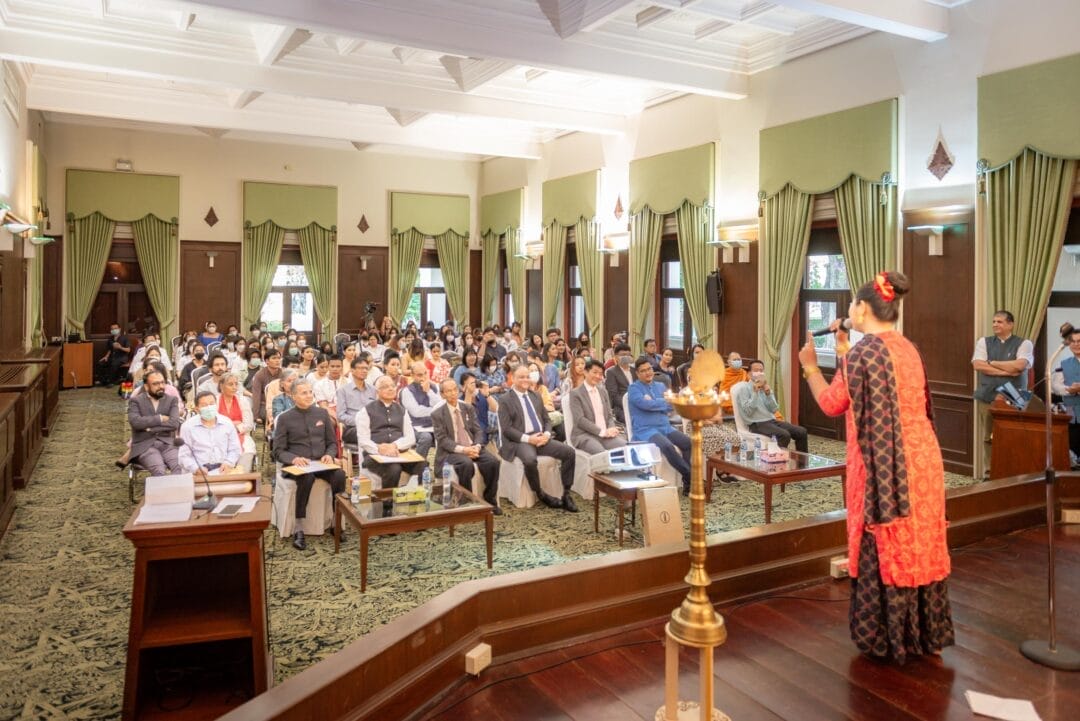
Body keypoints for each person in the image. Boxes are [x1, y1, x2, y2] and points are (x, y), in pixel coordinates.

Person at [799, 270, 953, 663]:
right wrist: (844, 352)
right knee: (916, 541)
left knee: (884, 542)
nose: (850, 309)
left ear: (862, 308)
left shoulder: (864, 354)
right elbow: (870, 385)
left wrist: (811, 367)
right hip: (922, 461)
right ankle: (923, 634)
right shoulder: (906, 348)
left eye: (852, 303)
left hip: (885, 467)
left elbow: (833, 403)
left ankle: (886, 637)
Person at [273, 379, 347, 551]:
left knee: (339, 475)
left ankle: (337, 523)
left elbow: (332, 443)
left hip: (321, 462)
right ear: (293, 397)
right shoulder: (284, 418)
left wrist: (329, 455)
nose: (308, 395)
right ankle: (299, 528)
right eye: (303, 393)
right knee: (307, 477)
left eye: (309, 392)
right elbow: (277, 451)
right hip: (297, 466)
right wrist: (294, 459)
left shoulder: (321, 414)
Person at [497, 365, 578, 511]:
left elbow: (547, 420)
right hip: (520, 440)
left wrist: (546, 435)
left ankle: (566, 493)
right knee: (529, 460)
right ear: (512, 379)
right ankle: (540, 493)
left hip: (541, 437)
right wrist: (529, 439)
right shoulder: (505, 399)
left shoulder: (536, 395)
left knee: (569, 452)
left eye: (527, 376)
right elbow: (507, 429)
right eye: (521, 377)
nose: (525, 379)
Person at [971, 309, 1034, 473]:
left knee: (1016, 436)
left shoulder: (1024, 343)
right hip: (987, 397)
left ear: (1010, 324)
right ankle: (989, 473)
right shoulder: (984, 342)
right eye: (994, 322)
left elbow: (1020, 366)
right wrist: (1007, 371)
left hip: (1015, 397)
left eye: (999, 321)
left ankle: (1015, 472)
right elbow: (978, 365)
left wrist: (991, 363)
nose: (995, 324)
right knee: (988, 437)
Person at [432, 379, 502, 513]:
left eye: (454, 390)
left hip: (472, 446)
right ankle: (467, 502)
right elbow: (442, 440)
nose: (453, 393)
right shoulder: (437, 414)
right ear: (442, 394)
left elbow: (478, 430)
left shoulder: (467, 408)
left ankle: (489, 500)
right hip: (452, 451)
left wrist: (476, 446)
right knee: (466, 464)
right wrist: (464, 450)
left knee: (494, 462)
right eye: (448, 391)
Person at [626, 357, 692, 493]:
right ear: (637, 374)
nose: (647, 372)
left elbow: (670, 407)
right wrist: (660, 402)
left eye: (649, 369)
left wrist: (654, 402)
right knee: (667, 446)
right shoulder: (633, 388)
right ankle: (689, 475)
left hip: (665, 427)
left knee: (688, 443)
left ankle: (687, 481)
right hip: (646, 430)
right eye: (643, 371)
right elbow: (645, 405)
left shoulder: (660, 386)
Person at [355, 375, 427, 489]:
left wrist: (394, 445)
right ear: (377, 391)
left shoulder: (402, 410)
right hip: (374, 456)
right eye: (385, 387)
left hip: (400, 454)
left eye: (392, 386)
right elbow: (363, 440)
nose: (390, 389)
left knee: (423, 465)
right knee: (394, 469)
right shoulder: (366, 411)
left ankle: (415, 497)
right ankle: (387, 504)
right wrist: (379, 449)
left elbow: (411, 438)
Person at [732, 360, 809, 453]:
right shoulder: (743, 389)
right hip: (756, 424)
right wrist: (755, 393)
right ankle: (776, 460)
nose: (759, 373)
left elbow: (774, 409)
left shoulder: (764, 387)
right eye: (756, 370)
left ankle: (802, 463)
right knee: (784, 435)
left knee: (801, 432)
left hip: (771, 420)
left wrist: (768, 393)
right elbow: (748, 411)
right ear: (749, 374)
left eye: (761, 370)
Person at [127, 370, 183, 475]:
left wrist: (150, 428)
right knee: (159, 469)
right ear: (147, 386)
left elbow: (174, 423)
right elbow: (136, 422)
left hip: (168, 444)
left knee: (180, 466)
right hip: (145, 445)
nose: (161, 386)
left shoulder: (171, 400)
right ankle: (163, 491)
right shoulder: (136, 401)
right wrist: (160, 418)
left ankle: (175, 491)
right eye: (155, 384)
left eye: (162, 382)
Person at [567, 359, 627, 455]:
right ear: (585, 372)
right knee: (603, 455)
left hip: (605, 434)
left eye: (600, 374)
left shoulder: (603, 391)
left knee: (625, 447)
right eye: (595, 372)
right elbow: (580, 420)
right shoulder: (575, 393)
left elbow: (609, 415)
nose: (598, 376)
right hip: (584, 435)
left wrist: (611, 428)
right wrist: (601, 432)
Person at [179, 391, 243, 475]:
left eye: (212, 403)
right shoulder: (188, 427)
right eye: (204, 405)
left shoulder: (227, 423)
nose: (209, 407)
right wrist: (196, 468)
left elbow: (235, 449)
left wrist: (228, 462)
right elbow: (184, 455)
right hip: (199, 472)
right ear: (197, 409)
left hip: (223, 470)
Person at [400, 361, 442, 463]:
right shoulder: (407, 391)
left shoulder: (434, 387)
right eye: (419, 375)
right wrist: (435, 410)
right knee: (426, 437)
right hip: (414, 426)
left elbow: (441, 406)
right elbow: (416, 412)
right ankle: (417, 466)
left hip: (434, 425)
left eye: (425, 373)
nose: (423, 377)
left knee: (447, 434)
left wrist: (429, 392)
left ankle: (440, 467)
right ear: (412, 376)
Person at [1051, 326, 1080, 460]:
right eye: (1073, 341)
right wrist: (1069, 390)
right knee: (1074, 448)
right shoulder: (1064, 363)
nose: (1076, 344)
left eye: (1079, 341)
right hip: (1072, 415)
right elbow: (1056, 387)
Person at [336, 357, 377, 445]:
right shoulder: (343, 391)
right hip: (352, 428)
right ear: (352, 370)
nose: (365, 371)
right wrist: (360, 421)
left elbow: (378, 411)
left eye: (366, 368)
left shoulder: (373, 390)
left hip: (372, 426)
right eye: (361, 368)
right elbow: (340, 415)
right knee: (368, 433)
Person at [217, 372, 256, 455]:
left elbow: (249, 425)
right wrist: (234, 423)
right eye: (230, 384)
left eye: (236, 384)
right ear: (221, 386)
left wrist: (231, 427)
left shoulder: (243, 401)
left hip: (240, 434)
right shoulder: (215, 401)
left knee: (248, 451)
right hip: (218, 436)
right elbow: (213, 424)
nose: (234, 387)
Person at [250, 349, 283, 425]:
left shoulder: (283, 374)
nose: (277, 360)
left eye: (279, 358)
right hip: (264, 405)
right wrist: (256, 416)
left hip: (281, 403)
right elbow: (256, 396)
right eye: (274, 358)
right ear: (267, 361)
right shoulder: (259, 375)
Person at [605, 343, 635, 425]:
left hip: (638, 403)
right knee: (634, 420)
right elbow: (614, 396)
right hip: (622, 407)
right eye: (623, 355)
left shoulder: (635, 371)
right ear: (616, 357)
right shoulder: (611, 372)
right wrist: (629, 405)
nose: (626, 357)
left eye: (628, 355)